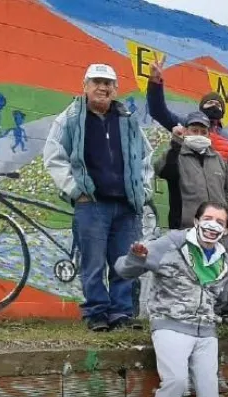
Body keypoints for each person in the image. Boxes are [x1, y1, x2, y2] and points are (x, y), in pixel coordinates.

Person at [114, 202, 228, 397]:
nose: (213, 224)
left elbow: (222, 296)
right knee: (176, 381)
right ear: (196, 220)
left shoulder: (223, 258)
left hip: (206, 332)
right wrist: (136, 258)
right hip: (170, 325)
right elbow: (123, 269)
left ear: (226, 229)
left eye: (220, 221)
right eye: (208, 218)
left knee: (209, 389)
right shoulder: (171, 244)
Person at [43, 63, 154, 332]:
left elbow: (146, 157)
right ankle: (96, 314)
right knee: (92, 262)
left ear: (115, 89)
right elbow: (53, 155)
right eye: (96, 81)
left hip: (126, 206)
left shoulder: (128, 121)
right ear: (85, 86)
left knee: (124, 263)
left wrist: (143, 191)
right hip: (91, 204)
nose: (102, 87)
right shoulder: (70, 118)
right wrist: (75, 190)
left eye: (108, 83)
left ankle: (121, 314)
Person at [146, 57, 228, 176]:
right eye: (210, 103)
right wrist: (155, 82)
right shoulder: (186, 125)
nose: (214, 106)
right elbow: (158, 112)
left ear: (223, 111)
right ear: (201, 108)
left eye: (218, 104)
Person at [156, 111, 228, 230]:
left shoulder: (217, 158)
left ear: (208, 135)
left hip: (218, 230)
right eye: (194, 131)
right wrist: (176, 143)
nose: (199, 135)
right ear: (185, 131)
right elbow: (162, 170)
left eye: (203, 132)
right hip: (186, 230)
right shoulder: (176, 155)